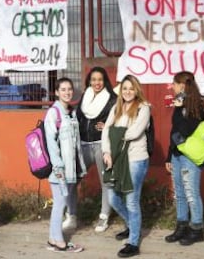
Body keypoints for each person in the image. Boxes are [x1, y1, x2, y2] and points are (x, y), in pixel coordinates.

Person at [101, 74, 151, 258]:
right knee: (113, 198)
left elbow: (135, 132)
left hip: (135, 159)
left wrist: (117, 134)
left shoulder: (143, 108)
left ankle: (133, 242)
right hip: (115, 158)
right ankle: (132, 224)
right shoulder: (116, 108)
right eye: (125, 89)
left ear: (136, 90)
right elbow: (106, 130)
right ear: (121, 91)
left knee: (131, 200)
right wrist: (107, 151)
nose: (128, 92)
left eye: (131, 88)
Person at [164, 71, 204, 246]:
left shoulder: (197, 107)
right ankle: (181, 226)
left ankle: (196, 229)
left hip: (190, 157)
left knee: (191, 193)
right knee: (180, 194)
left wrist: (180, 107)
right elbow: (174, 132)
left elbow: (186, 131)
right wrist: (169, 156)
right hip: (176, 155)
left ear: (182, 85)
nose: (172, 87)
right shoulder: (179, 105)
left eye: (174, 84)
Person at [45, 77, 86, 253]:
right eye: (63, 89)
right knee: (60, 204)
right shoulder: (53, 113)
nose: (67, 92)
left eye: (69, 89)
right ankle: (59, 241)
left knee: (60, 203)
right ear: (56, 92)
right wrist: (58, 166)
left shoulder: (71, 112)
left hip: (70, 168)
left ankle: (53, 237)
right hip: (59, 168)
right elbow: (51, 143)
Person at [73, 67, 117, 233]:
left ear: (104, 80)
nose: (97, 83)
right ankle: (71, 214)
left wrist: (108, 127)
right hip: (83, 145)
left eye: (100, 79)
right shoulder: (85, 96)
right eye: (93, 79)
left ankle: (104, 217)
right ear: (89, 81)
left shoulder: (113, 99)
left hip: (101, 145)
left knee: (106, 182)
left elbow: (120, 121)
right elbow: (78, 117)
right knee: (73, 179)